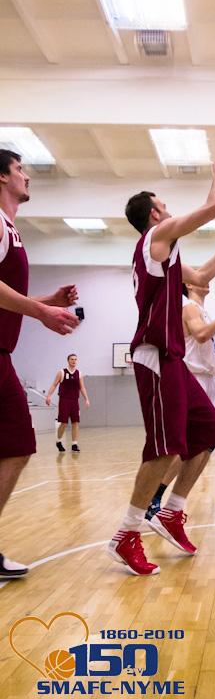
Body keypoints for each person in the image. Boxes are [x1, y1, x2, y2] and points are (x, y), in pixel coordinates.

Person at [107, 158, 215, 576]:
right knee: (163, 448)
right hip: (154, 355)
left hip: (174, 360)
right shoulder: (155, 237)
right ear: (154, 214)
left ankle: (172, 512)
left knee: (208, 433)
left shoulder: (166, 253)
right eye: (164, 206)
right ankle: (126, 533)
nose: (169, 210)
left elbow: (202, 274)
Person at [0, 149, 79, 579]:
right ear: (1, 177)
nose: (26, 176)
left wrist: (48, 301)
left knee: (15, 446)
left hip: (3, 355)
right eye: (19, 169)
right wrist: (42, 312)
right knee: (17, 445)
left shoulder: (11, 229)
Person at [145, 280, 215, 519]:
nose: (207, 279)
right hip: (194, 380)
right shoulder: (188, 307)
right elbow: (201, 335)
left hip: (211, 382)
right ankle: (154, 497)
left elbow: (214, 352)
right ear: (189, 284)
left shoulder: (202, 312)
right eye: (199, 276)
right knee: (192, 446)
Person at [46, 354, 90, 452]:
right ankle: (58, 441)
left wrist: (86, 399)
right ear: (68, 360)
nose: (74, 361)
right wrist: (48, 395)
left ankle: (74, 444)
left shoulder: (79, 373)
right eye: (72, 359)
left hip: (75, 401)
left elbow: (82, 387)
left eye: (75, 359)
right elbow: (54, 384)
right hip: (64, 400)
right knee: (64, 423)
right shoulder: (62, 372)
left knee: (75, 423)